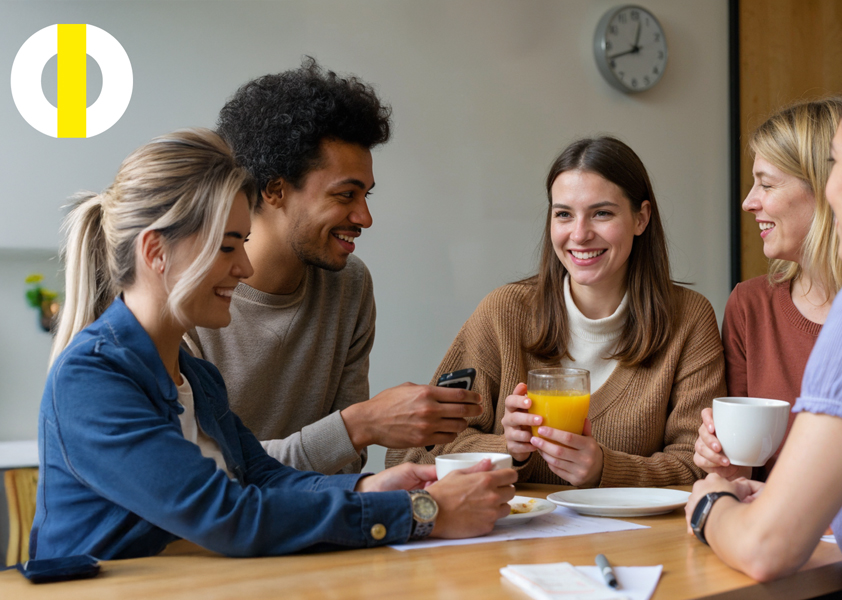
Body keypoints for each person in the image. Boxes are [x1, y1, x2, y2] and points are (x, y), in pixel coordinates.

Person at [33, 129, 516, 560]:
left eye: (242, 243)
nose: (243, 267)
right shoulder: (93, 379)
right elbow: (230, 517)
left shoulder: (194, 376)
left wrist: (371, 487)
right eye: (227, 246)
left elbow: (263, 477)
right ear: (156, 251)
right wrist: (418, 513)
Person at [182, 59, 482, 475]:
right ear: (274, 190)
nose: (364, 218)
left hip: (317, 526)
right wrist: (361, 424)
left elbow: (345, 463)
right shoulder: (189, 298)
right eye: (345, 195)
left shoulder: (350, 285)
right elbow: (195, 473)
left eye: (367, 197)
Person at [388, 137, 726, 488]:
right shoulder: (503, 313)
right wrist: (508, 450)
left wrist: (604, 470)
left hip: (632, 541)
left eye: (602, 213)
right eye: (564, 214)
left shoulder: (687, 318)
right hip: (510, 538)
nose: (579, 235)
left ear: (641, 218)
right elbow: (414, 454)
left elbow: (699, 466)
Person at [684, 54, 842, 598]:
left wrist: (710, 505)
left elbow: (767, 549)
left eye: (840, 164)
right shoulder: (755, 303)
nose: (833, 189)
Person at [693, 99, 842, 481]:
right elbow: (742, 477)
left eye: (766, 184)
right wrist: (722, 459)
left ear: (825, 189)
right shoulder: (750, 306)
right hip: (779, 531)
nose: (748, 203)